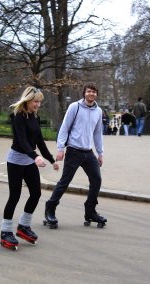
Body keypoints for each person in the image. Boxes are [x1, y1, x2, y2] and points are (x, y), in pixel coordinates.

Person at [0, 86, 59, 250]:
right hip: (16, 160)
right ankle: (5, 231)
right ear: (27, 100)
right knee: (15, 195)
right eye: (35, 101)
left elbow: (39, 141)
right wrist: (36, 157)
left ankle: (23, 226)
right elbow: (22, 141)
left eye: (40, 102)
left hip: (29, 160)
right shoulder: (18, 117)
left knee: (36, 193)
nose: (38, 105)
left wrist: (51, 159)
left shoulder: (35, 117)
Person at [44, 83, 107, 228]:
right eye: (89, 91)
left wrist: (100, 153)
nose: (91, 94)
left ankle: (90, 211)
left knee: (96, 180)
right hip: (73, 150)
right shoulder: (75, 107)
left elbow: (98, 133)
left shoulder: (98, 111)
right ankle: (50, 209)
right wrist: (60, 148)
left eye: (94, 92)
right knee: (65, 182)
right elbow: (64, 127)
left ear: (96, 94)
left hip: (88, 152)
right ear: (84, 93)